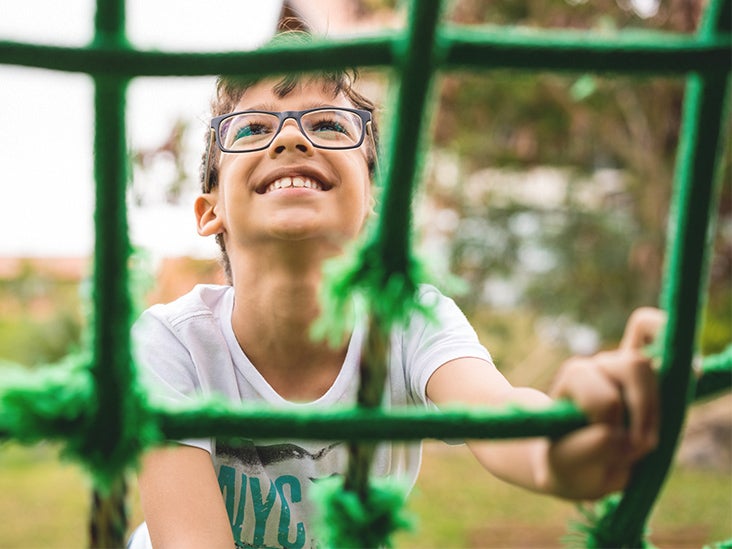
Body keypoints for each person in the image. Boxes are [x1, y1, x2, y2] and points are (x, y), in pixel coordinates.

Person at [129, 45, 664, 549]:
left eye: (328, 125)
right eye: (252, 128)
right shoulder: (173, 343)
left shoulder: (408, 319)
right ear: (209, 211)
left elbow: (502, 418)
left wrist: (576, 429)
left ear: (373, 206)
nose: (291, 140)